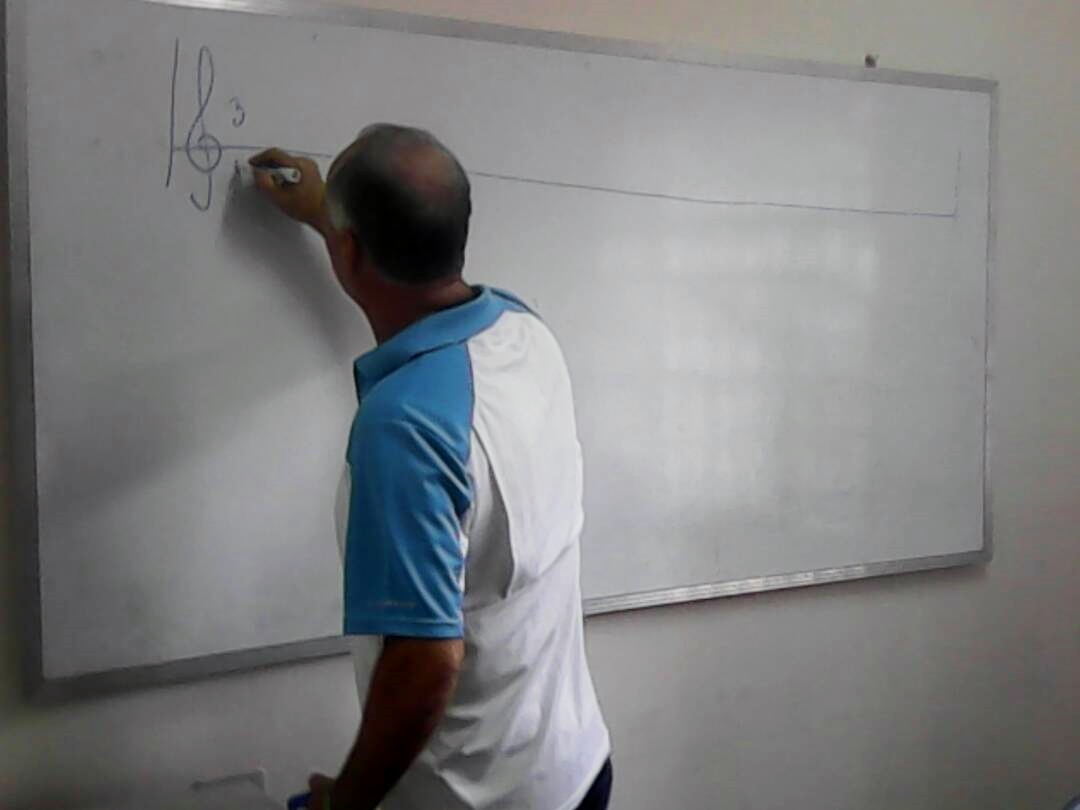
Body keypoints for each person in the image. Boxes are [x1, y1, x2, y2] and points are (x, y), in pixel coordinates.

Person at [250, 124, 611, 810]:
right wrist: (326, 209)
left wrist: (344, 803)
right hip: (575, 771)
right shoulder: (523, 331)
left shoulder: (403, 428)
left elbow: (423, 665)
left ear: (350, 250)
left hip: (472, 800)